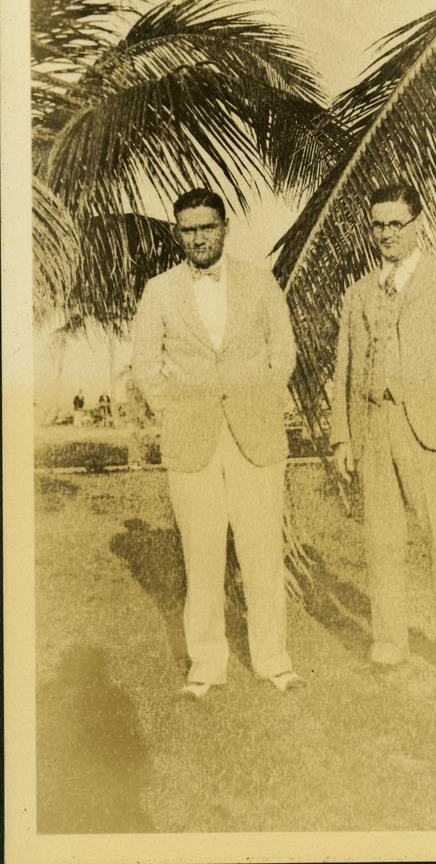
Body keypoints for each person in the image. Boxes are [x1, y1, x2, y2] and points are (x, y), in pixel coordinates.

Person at [132, 188, 305, 700]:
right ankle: (206, 666)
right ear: (177, 234)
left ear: (224, 228)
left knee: (261, 552)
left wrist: (261, 399)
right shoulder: (159, 290)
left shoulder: (260, 281)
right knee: (200, 555)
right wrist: (175, 410)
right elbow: (146, 366)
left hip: (254, 435)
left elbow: (284, 351)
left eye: (207, 227)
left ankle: (274, 662)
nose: (198, 237)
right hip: (192, 441)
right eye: (188, 229)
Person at [330, 184, 436, 681]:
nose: (386, 234)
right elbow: (344, 372)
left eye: (396, 224)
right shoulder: (359, 292)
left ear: (417, 224)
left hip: (434, 434)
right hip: (373, 429)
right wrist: (341, 437)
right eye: (378, 224)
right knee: (382, 543)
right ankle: (388, 644)